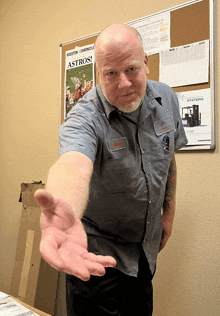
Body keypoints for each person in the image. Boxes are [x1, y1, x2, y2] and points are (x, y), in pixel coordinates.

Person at [34, 23, 188, 316]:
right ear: (98, 73)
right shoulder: (85, 117)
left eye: (131, 69)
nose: (124, 84)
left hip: (145, 255)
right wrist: (63, 206)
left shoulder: (166, 98)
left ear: (145, 62)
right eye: (111, 74)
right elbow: (73, 164)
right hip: (95, 263)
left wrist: (169, 212)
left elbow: (168, 156)